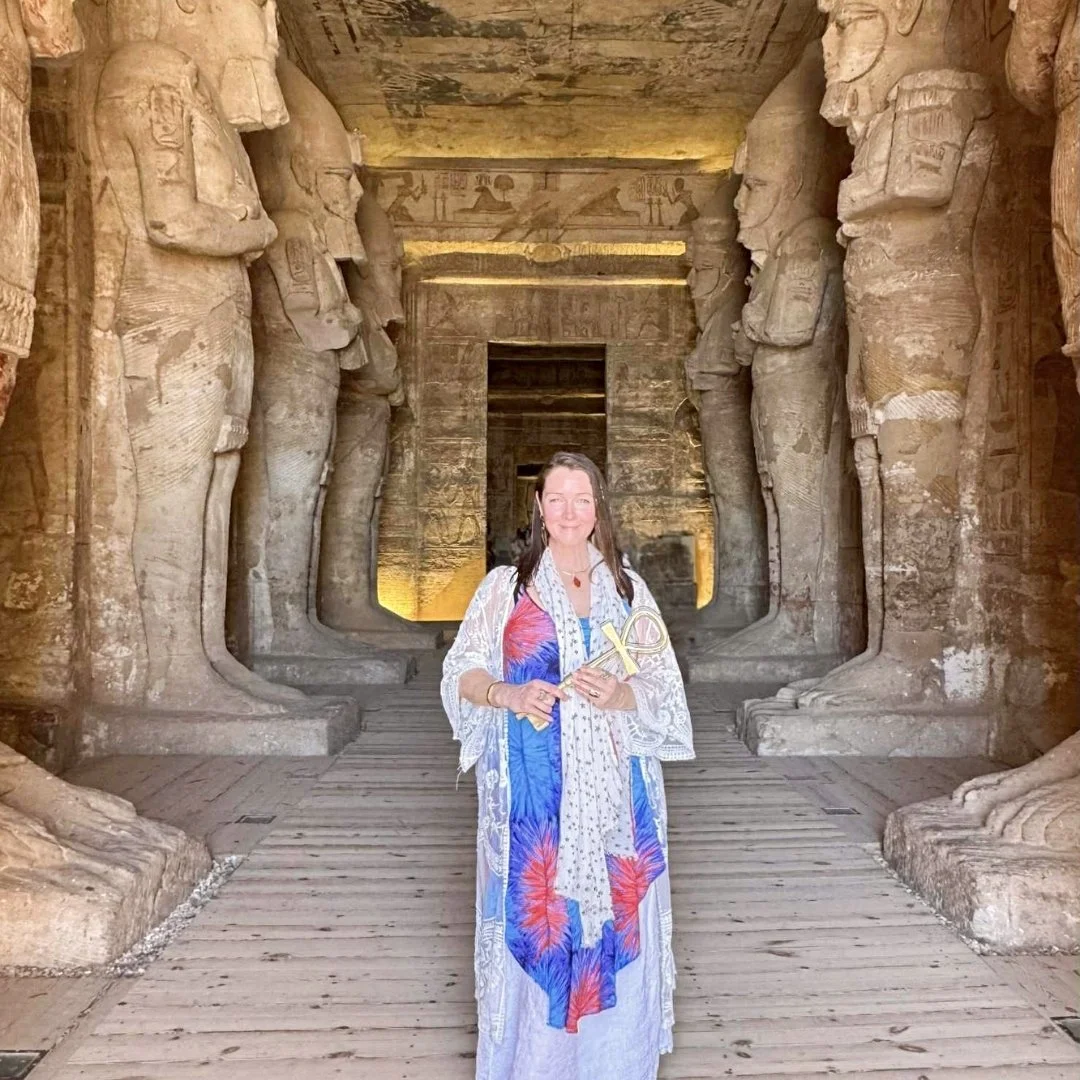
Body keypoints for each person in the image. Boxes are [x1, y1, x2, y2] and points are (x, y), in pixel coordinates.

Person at [441, 451, 694, 1080]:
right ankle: (539, 1064)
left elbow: (662, 682)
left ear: (598, 507)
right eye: (557, 498)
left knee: (617, 917)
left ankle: (614, 1062)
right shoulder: (506, 589)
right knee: (544, 920)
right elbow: (461, 671)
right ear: (539, 508)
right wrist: (507, 692)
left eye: (582, 499)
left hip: (617, 791)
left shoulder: (628, 588)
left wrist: (622, 694)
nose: (570, 512)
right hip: (536, 792)